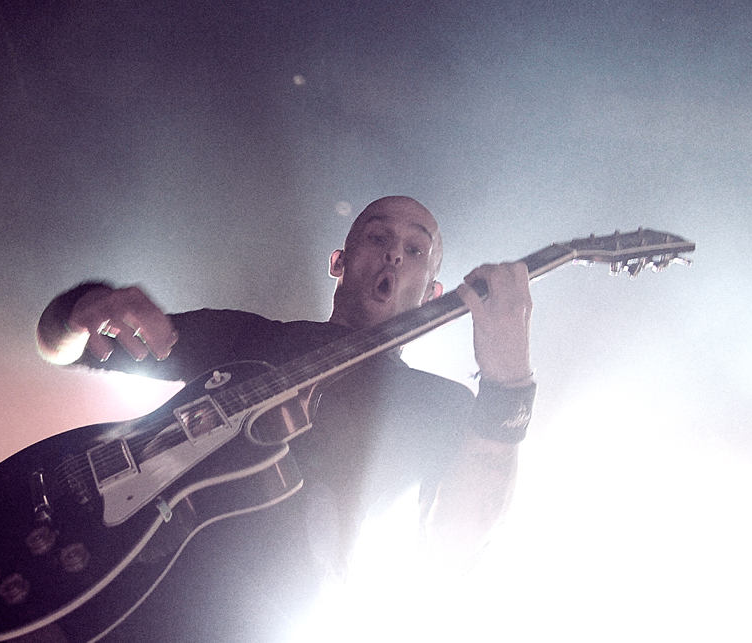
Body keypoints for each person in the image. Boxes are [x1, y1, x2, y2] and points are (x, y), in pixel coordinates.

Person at [36, 195, 535, 642]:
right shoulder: (247, 336)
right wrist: (84, 307)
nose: (394, 254)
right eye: (377, 237)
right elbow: (61, 347)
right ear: (339, 263)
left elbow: (457, 540)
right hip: (80, 593)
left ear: (432, 293)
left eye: (415, 249)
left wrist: (509, 389)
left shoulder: (440, 405)